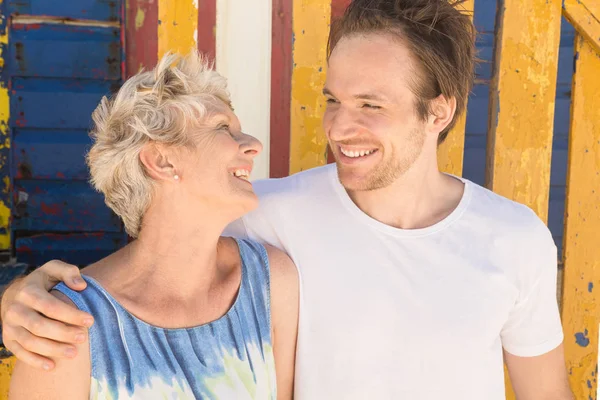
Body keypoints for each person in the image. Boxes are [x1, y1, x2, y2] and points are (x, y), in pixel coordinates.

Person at [1, 0, 573, 399]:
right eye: (333, 99)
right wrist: (21, 299)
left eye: (371, 105)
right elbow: (164, 245)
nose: (339, 128)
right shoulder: (268, 216)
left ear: (439, 112)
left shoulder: (515, 239)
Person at [6, 51, 299, 399]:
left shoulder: (271, 282)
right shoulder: (66, 327)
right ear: (161, 161)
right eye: (223, 128)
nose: (254, 145)